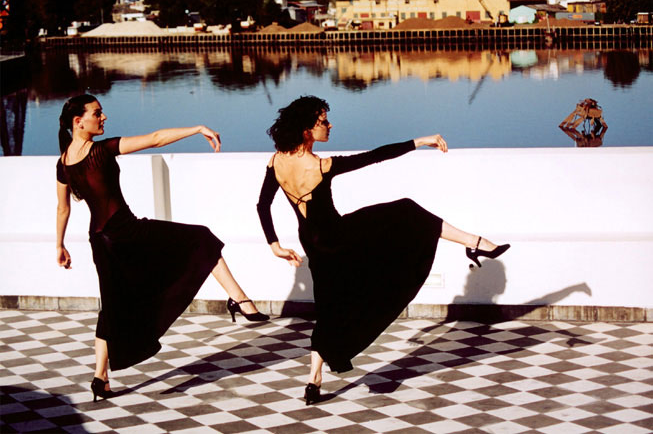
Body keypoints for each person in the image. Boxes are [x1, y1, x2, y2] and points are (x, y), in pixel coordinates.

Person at [256, 96, 509, 405]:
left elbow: (262, 205)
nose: (330, 125)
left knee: (329, 308)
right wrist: (419, 141)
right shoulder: (320, 166)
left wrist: (275, 245)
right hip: (338, 237)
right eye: (323, 121)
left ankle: (313, 381)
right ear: (307, 130)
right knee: (407, 211)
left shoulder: (276, 161)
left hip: (313, 243)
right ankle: (475, 242)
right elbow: (375, 156)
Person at [55, 94, 268, 403]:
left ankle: (100, 377)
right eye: (97, 113)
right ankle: (241, 300)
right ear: (79, 121)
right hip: (125, 231)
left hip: (99, 240)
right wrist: (197, 128)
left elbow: (63, 208)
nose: (104, 118)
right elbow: (155, 139)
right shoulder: (101, 150)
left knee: (112, 306)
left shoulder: (63, 163)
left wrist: (59, 244)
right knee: (202, 238)